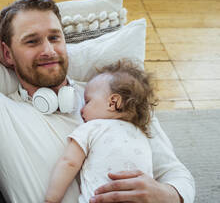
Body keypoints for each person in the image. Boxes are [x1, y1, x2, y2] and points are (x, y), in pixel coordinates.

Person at [0, 0, 195, 203]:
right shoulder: (0, 111)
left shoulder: (117, 97)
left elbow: (177, 173)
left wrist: (167, 194)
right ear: (8, 55)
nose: (49, 50)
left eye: (55, 38)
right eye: (32, 41)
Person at [45, 59, 157, 203]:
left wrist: (51, 199)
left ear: (113, 102)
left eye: (88, 101)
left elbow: (69, 163)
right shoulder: (142, 136)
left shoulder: (93, 127)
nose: (81, 109)